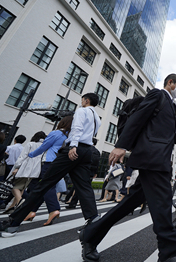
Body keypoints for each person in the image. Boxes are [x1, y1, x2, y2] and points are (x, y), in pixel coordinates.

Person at [78, 74, 176, 262]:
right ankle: (170, 253)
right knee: (163, 203)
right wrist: (121, 145)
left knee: (129, 204)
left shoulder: (171, 106)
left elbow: (166, 133)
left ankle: (90, 234)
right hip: (151, 158)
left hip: (159, 159)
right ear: (170, 83)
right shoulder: (157, 95)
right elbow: (138, 119)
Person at [1, 94, 101, 238]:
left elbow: (77, 128)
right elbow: (91, 133)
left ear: (86, 100)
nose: (81, 102)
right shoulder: (97, 118)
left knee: (44, 184)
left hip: (74, 149)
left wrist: (73, 145)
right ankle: (94, 221)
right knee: (84, 187)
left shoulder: (82, 110)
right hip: (87, 151)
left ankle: (13, 224)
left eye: (82, 100)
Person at [3, 132, 47, 214]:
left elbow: (23, 156)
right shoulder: (44, 147)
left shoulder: (30, 144)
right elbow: (43, 160)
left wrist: (17, 167)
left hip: (25, 167)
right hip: (35, 170)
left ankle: (20, 201)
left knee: (14, 186)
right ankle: (12, 206)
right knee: (22, 188)